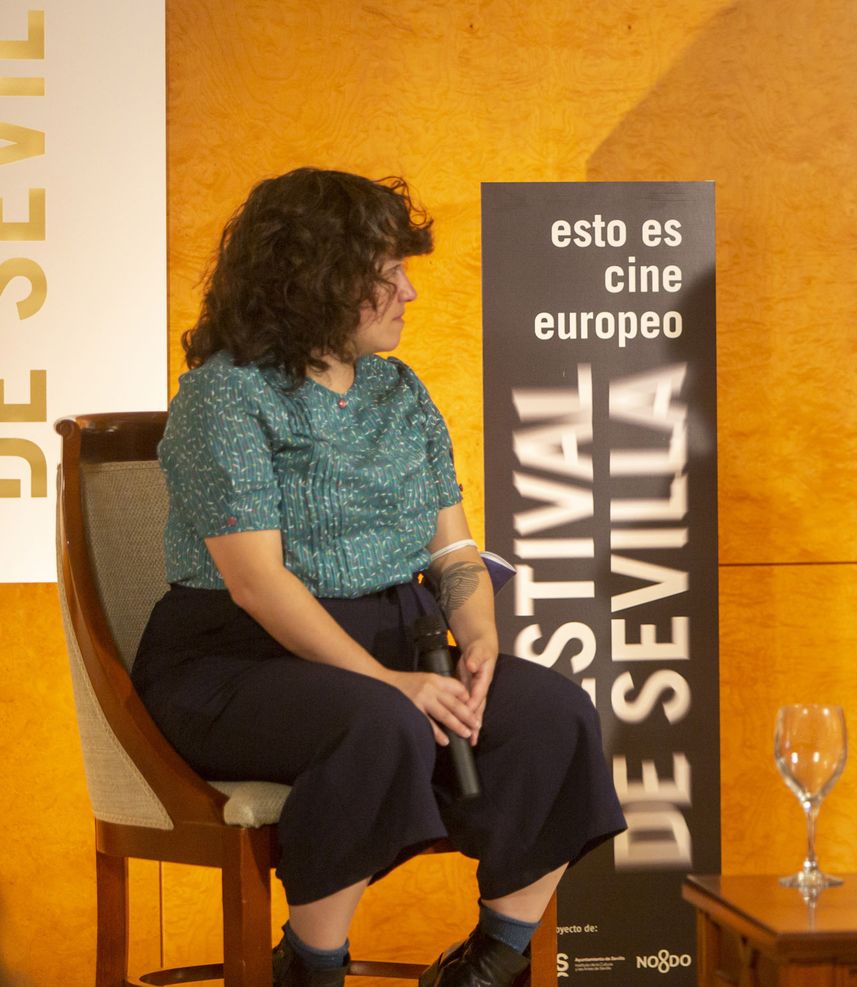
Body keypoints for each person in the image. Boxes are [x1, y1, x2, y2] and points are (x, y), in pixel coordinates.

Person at [130, 168, 626, 987]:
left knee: (551, 715)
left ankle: (490, 962)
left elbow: (453, 554)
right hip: (236, 661)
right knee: (377, 723)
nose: (411, 291)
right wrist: (393, 684)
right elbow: (257, 583)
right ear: (317, 276)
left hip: (399, 643)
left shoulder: (399, 391)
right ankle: (313, 964)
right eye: (389, 271)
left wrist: (481, 640)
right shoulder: (226, 397)